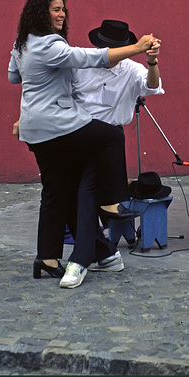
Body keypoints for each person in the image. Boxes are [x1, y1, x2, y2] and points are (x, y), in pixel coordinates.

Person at [8, 0, 156, 288]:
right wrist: (139, 47)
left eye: (63, 9)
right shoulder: (50, 45)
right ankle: (112, 202)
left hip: (36, 129)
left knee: (56, 190)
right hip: (57, 125)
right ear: (41, 12)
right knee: (111, 137)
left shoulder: (22, 44)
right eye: (55, 9)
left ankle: (49, 258)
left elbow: (15, 76)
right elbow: (92, 58)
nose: (62, 14)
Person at [72, 19, 165, 247]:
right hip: (80, 131)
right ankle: (93, 229)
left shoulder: (132, 70)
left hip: (110, 136)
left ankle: (113, 226)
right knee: (84, 187)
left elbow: (152, 86)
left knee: (100, 184)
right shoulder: (81, 62)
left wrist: (152, 62)